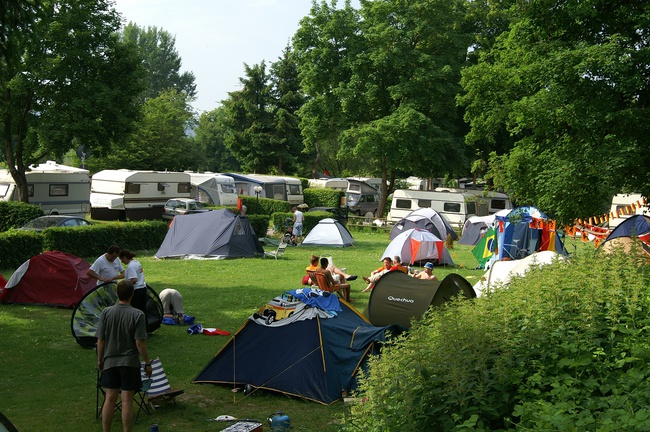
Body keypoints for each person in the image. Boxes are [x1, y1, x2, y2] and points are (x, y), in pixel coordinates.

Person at [97, 280, 152, 432]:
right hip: (130, 363)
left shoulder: (106, 312)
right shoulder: (137, 314)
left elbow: (100, 340)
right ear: (132, 294)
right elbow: (140, 343)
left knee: (109, 398)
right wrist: (147, 363)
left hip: (110, 362)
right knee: (127, 400)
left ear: (117, 294)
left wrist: (100, 360)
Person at [119, 250, 147, 321]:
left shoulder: (130, 266)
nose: (122, 262)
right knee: (143, 310)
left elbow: (134, 279)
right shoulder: (137, 262)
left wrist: (125, 286)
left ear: (124, 257)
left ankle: (134, 327)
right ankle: (145, 327)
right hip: (143, 288)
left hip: (136, 291)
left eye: (122, 259)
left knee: (135, 310)